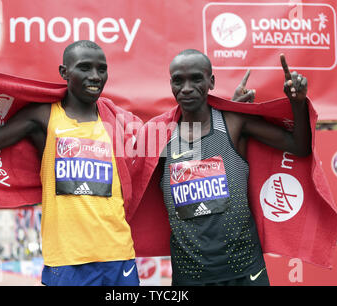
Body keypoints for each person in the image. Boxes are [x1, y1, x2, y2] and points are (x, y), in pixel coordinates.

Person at [0, 37, 141, 286]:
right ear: (64, 72)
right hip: (66, 262)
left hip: (119, 256)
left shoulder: (118, 121)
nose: (95, 76)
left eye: (102, 69)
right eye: (84, 67)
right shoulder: (45, 117)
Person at [133, 49, 311, 286]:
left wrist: (297, 103)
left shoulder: (232, 122)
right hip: (191, 276)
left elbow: (299, 146)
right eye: (178, 80)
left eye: (196, 78)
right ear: (171, 84)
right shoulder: (159, 136)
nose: (186, 87)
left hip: (245, 270)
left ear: (211, 82)